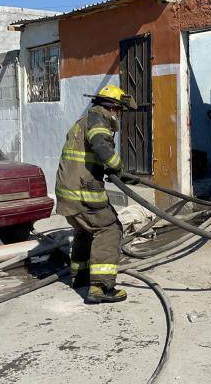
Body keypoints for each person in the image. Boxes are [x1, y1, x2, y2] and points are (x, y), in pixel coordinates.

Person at [55, 85, 139, 304]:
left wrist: (112, 172)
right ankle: (101, 287)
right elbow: (101, 147)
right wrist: (118, 168)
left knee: (85, 229)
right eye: (120, 111)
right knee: (109, 228)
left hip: (67, 191)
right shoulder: (98, 120)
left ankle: (80, 276)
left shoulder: (82, 121)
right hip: (84, 192)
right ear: (113, 108)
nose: (119, 115)